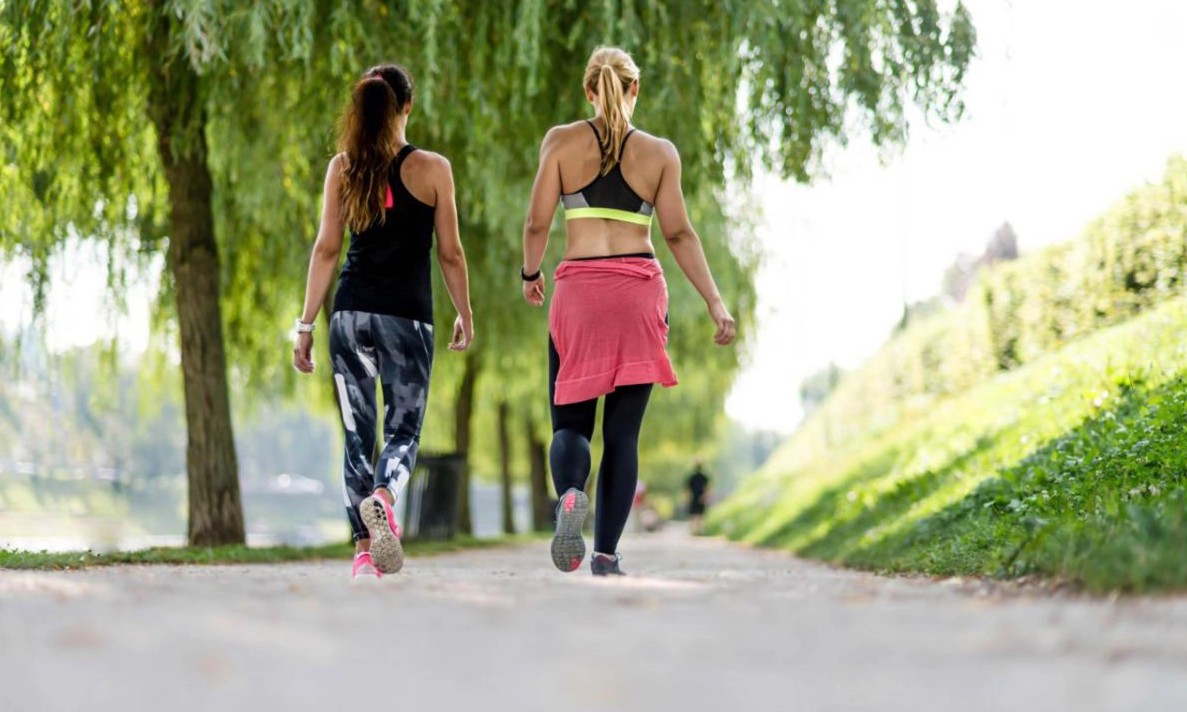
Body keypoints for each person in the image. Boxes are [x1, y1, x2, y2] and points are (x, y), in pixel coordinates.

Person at [521, 46, 736, 576]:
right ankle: (605, 555)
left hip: (579, 292)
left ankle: (572, 493)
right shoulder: (660, 154)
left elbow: (535, 224)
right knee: (622, 435)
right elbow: (679, 233)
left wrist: (531, 273)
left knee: (570, 423)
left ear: (589, 91)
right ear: (634, 89)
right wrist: (714, 301)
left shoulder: (561, 143)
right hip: (638, 291)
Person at [293, 64, 473, 582]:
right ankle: (385, 496)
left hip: (349, 315)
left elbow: (327, 248)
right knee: (401, 431)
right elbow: (452, 254)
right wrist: (464, 313)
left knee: (357, 434)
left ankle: (364, 554)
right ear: (407, 106)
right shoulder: (433, 169)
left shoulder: (343, 168)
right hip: (408, 320)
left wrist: (305, 325)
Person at [686, 460, 711, 535]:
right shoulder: (704, 477)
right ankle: (698, 530)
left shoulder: (691, 477)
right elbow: (707, 489)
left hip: (694, 498)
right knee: (700, 515)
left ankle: (694, 530)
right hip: (701, 498)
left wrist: (687, 499)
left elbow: (687, 490)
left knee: (694, 515)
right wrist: (705, 497)